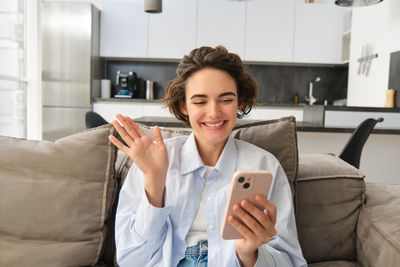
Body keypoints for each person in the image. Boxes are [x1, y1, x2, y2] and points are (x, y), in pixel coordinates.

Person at [110, 46, 307, 267]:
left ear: (240, 102)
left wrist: (249, 254)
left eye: (225, 100)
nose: (213, 113)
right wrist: (155, 182)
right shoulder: (152, 161)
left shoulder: (264, 166)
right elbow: (131, 260)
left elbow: (291, 262)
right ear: (183, 105)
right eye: (200, 101)